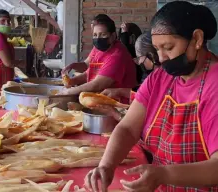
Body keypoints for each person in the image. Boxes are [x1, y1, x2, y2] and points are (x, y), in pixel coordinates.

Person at [84, 1, 218, 191]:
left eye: (168, 47)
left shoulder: (214, 85)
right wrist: (107, 164)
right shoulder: (160, 77)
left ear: (196, 39)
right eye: (157, 49)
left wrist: (164, 174)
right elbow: (129, 128)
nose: (161, 58)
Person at [59, 14, 136, 97]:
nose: (98, 39)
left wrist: (69, 92)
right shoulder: (98, 48)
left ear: (113, 36)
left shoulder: (118, 55)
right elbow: (87, 70)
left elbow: (97, 84)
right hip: (99, 99)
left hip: (118, 104)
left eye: (103, 34)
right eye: (95, 35)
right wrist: (71, 81)